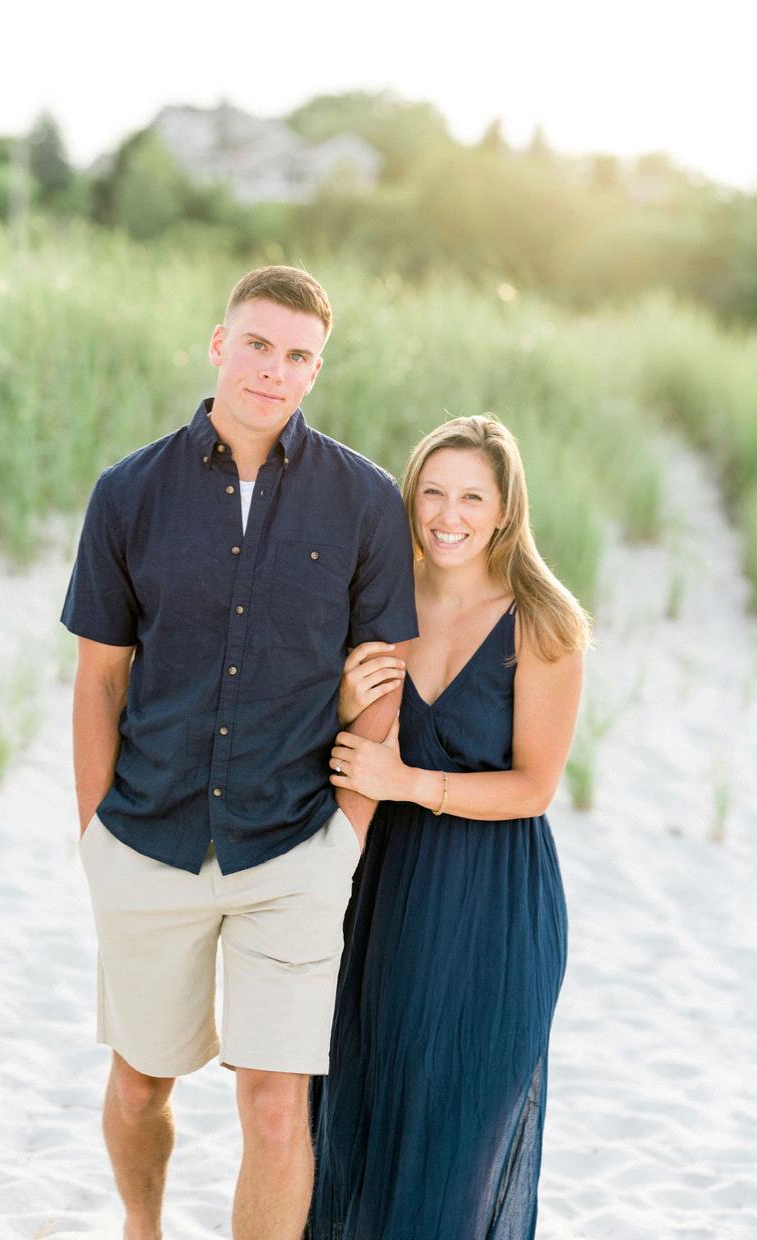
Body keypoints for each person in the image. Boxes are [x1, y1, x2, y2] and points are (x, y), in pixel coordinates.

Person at [60, 265, 418, 1240]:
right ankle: (143, 1229)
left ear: (316, 371)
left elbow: (382, 680)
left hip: (293, 849)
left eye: (298, 355)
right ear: (220, 345)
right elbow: (99, 680)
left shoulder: (364, 500)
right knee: (140, 1083)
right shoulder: (129, 492)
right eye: (257, 344)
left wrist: (344, 837)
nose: (274, 369)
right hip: (146, 837)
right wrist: (95, 834)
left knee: (274, 1105)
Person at [308, 414, 590, 1240]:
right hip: (381, 893)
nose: (448, 514)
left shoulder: (542, 622)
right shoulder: (376, 600)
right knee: (358, 1114)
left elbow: (534, 788)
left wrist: (407, 782)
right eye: (432, 492)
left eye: (472, 497)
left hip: (493, 904)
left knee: (453, 1145)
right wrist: (340, 704)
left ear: (504, 510)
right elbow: (330, 748)